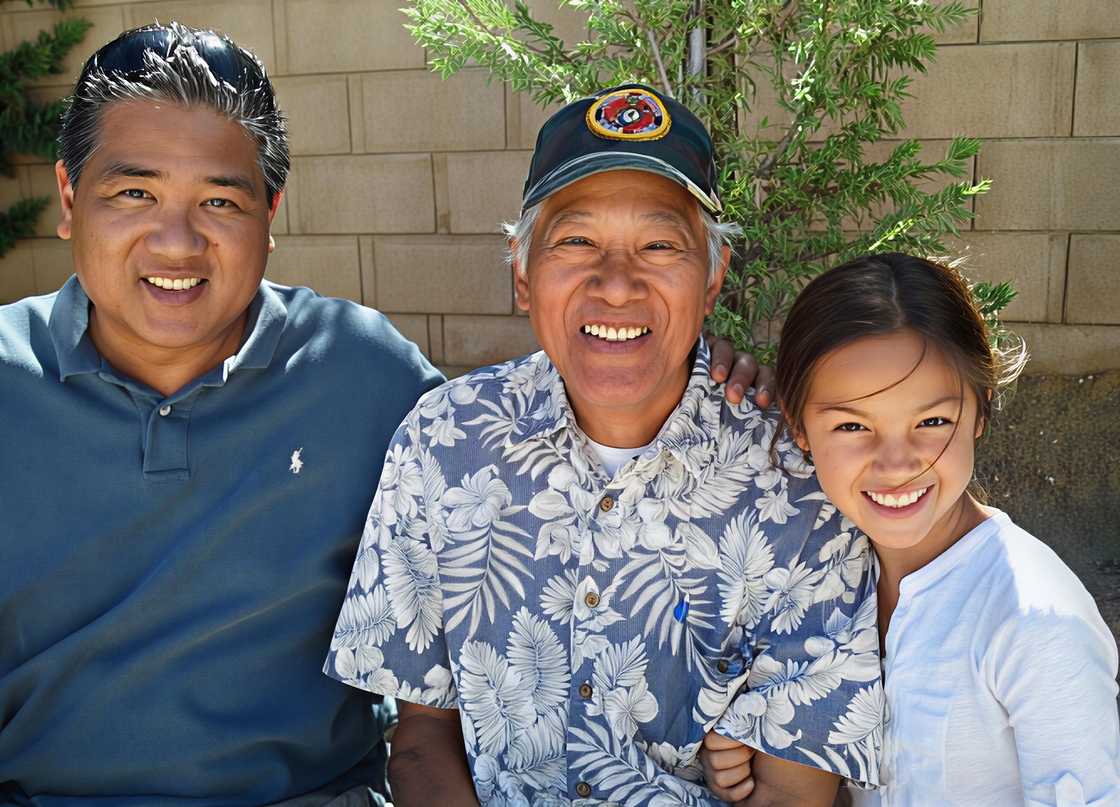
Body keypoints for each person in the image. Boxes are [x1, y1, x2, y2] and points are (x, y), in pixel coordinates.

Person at [0, 27, 763, 804]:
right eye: (135, 193)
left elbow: (559, 437)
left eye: (219, 200)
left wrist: (695, 369)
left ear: (271, 211)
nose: (176, 239)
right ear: (68, 198)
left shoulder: (363, 374)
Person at [323, 83, 883, 807]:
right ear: (522, 274)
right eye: (577, 241)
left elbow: (795, 789)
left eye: (658, 245)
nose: (616, 284)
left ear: (712, 278)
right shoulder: (443, 443)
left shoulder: (794, 482)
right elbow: (423, 733)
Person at [701, 253, 1120, 806]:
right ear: (800, 428)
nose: (896, 463)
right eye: (853, 425)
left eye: (932, 422)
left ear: (981, 412)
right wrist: (748, 750)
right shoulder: (816, 576)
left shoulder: (1033, 620)